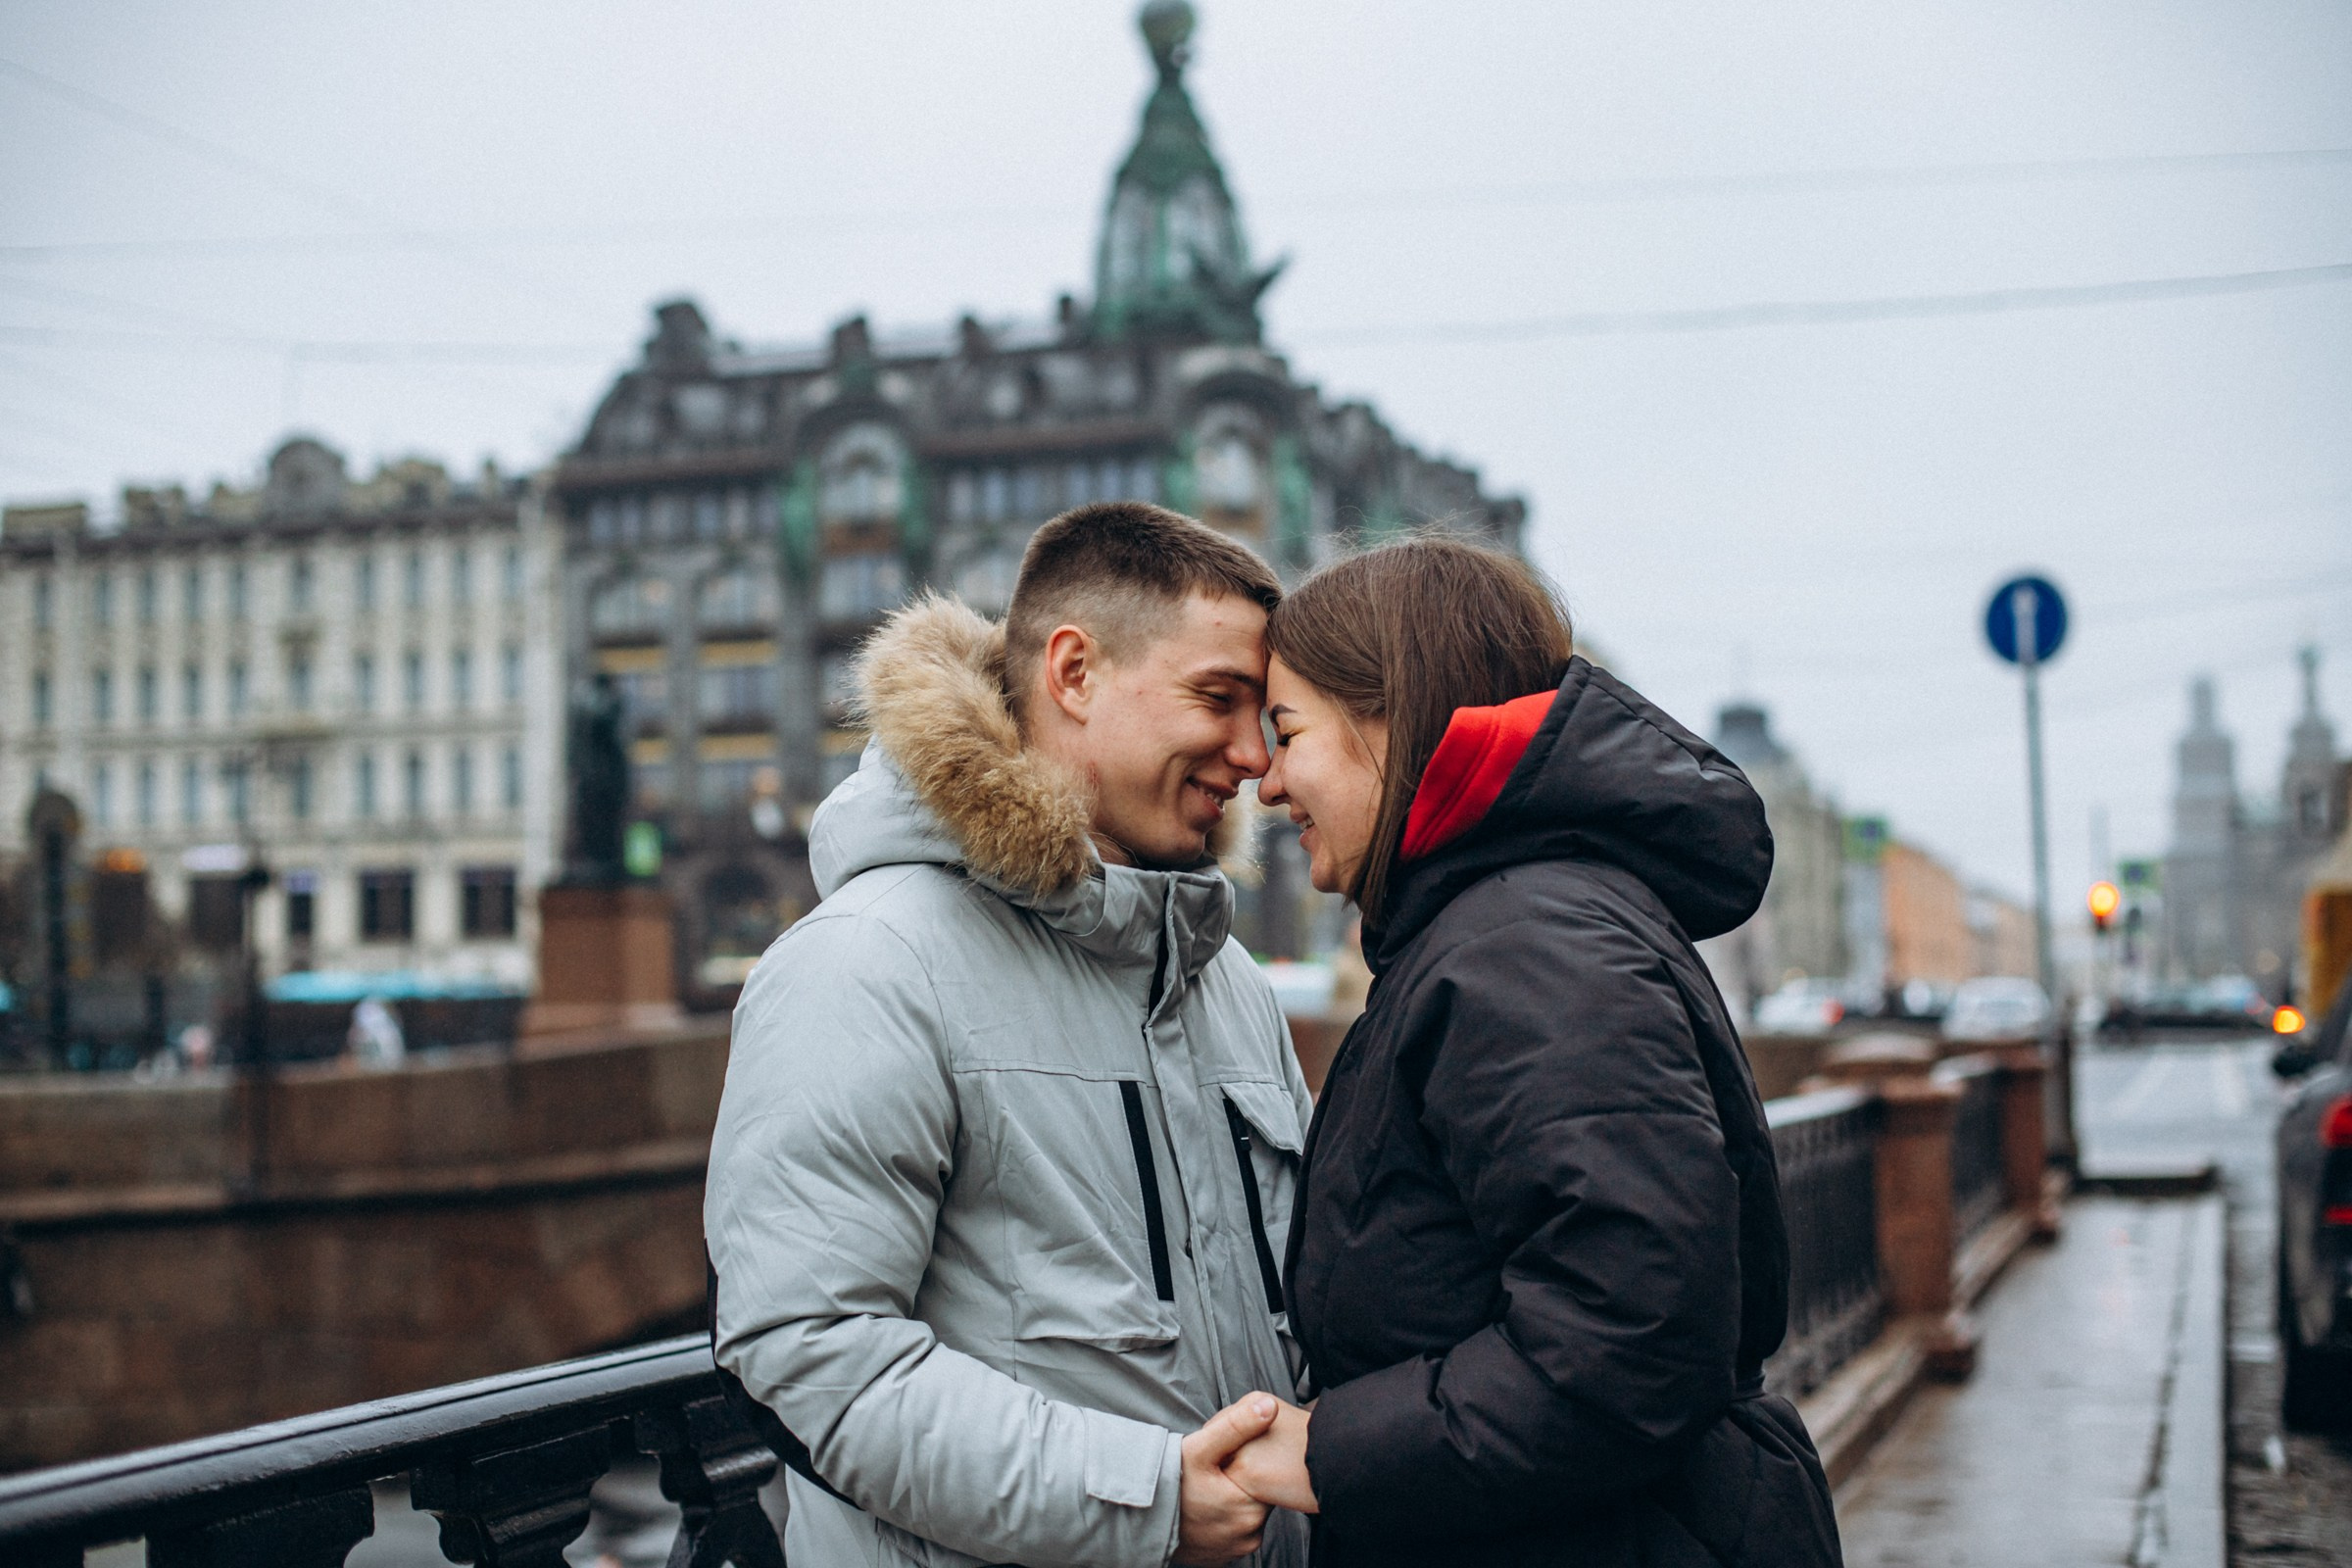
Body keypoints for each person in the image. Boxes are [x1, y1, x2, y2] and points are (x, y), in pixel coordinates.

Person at [707, 502, 1315, 1568]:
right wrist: (1152, 1502)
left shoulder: (1229, 979)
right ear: (1073, 674)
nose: (1254, 757)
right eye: (1219, 700)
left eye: (1264, 716)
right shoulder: (865, 962)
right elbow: (811, 1355)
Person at [1224, 536, 1843, 1567]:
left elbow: (1630, 1340)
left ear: (1392, 717)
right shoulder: (1500, 925)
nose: (1270, 784)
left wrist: (1329, 1450)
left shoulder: (1524, 946)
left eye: (1288, 734)